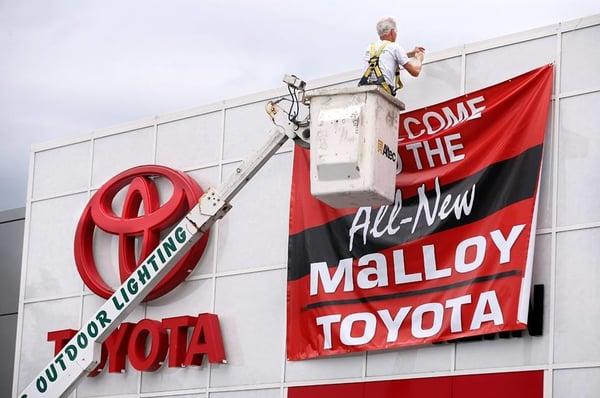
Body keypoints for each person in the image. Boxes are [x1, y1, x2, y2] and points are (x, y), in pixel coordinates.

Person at [359, 16, 425, 96]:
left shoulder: (370, 48)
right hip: (383, 93)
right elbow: (415, 72)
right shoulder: (395, 47)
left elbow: (386, 56)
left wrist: (411, 53)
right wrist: (419, 58)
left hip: (366, 91)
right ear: (392, 32)